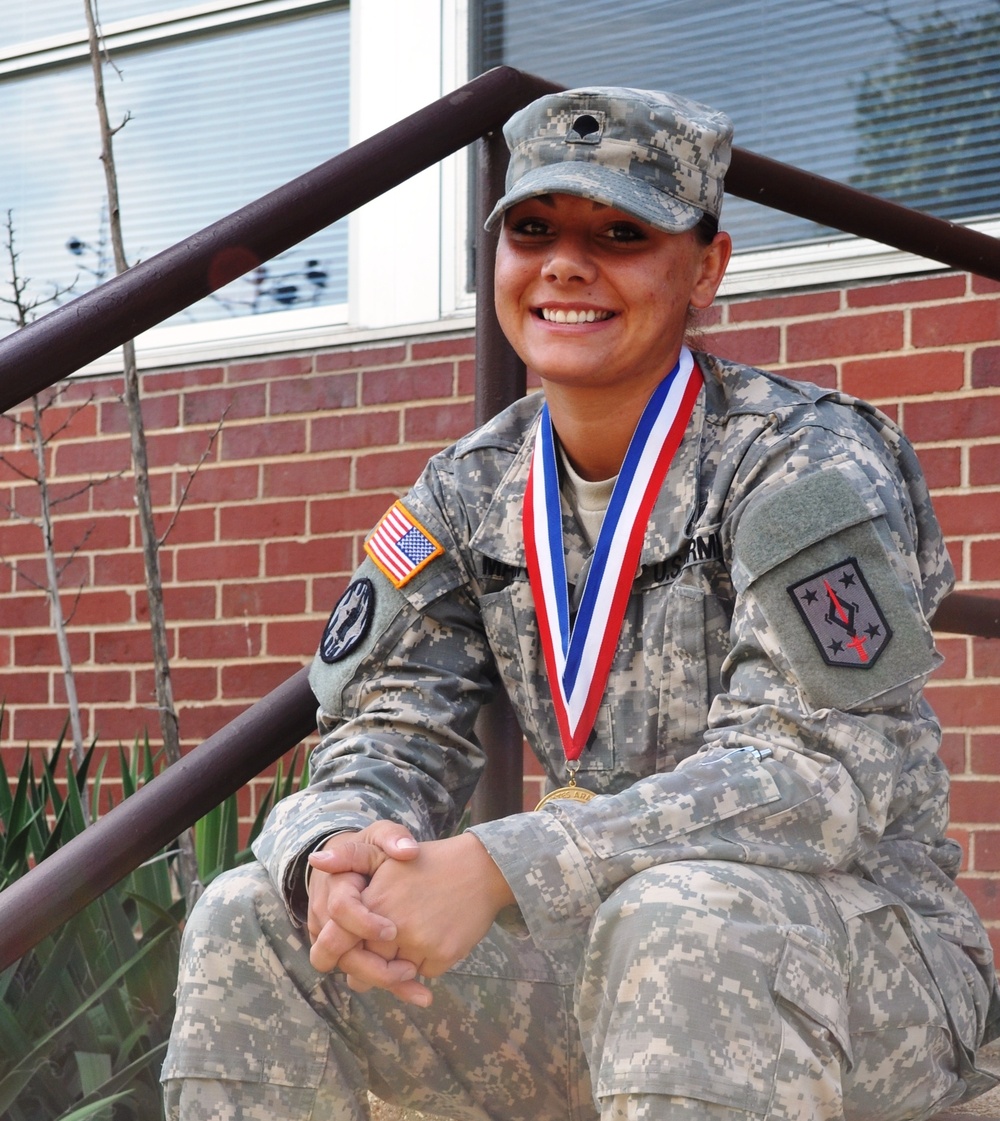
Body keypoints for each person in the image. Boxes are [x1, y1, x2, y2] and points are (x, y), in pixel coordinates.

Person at [162, 86, 1000, 1121]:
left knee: (679, 916)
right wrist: (339, 850)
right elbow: (384, 731)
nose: (565, 263)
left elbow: (811, 776)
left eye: (620, 232)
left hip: (862, 961)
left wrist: (506, 862)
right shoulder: (467, 489)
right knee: (254, 911)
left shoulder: (805, 462)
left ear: (705, 269)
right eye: (532, 229)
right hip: (597, 953)